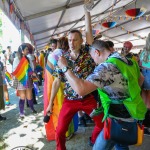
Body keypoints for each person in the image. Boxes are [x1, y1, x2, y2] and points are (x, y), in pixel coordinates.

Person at [57, 40, 147, 150]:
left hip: (119, 118)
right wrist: (128, 95)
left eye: (93, 58)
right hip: (133, 111)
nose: (94, 62)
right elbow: (141, 78)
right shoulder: (126, 60)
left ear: (97, 52)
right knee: (121, 144)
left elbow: (81, 89)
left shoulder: (106, 67)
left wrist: (65, 68)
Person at [49, 30, 104, 150]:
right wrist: (50, 103)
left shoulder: (89, 55)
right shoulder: (63, 59)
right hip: (70, 100)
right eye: (69, 40)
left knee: (102, 124)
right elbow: (57, 81)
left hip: (88, 98)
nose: (71, 43)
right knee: (59, 131)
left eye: (75, 40)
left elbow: (89, 34)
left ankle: (94, 141)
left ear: (81, 41)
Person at [12, 43, 37, 118]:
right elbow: (14, 69)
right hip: (20, 80)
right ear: (22, 51)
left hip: (28, 79)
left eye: (28, 49)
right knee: (22, 97)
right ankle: (21, 112)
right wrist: (23, 69)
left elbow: (31, 68)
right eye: (26, 49)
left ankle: (32, 109)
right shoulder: (16, 59)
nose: (28, 50)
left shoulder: (28, 58)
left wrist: (32, 72)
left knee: (29, 96)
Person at [140, 33, 150, 135]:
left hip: (143, 77)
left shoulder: (144, 52)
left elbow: (140, 65)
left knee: (143, 101)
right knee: (149, 102)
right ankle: (147, 126)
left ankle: (141, 123)